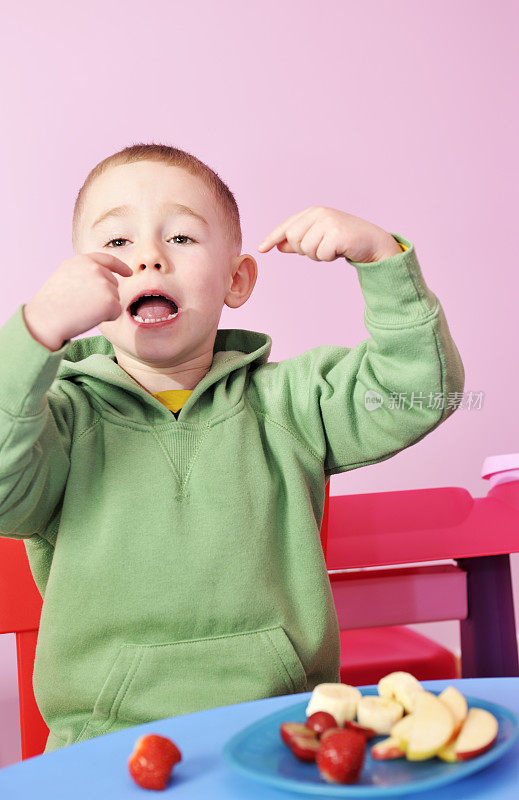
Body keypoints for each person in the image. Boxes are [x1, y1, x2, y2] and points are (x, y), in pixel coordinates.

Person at [0, 143, 465, 753]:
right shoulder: (55, 422)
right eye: (116, 243)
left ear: (237, 280)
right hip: (103, 746)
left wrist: (382, 261)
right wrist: (34, 333)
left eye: (183, 239)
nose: (148, 258)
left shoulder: (293, 402)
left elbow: (418, 394)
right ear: (80, 283)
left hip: (282, 734)